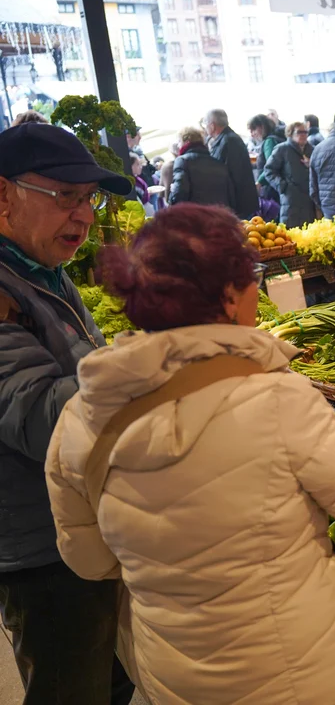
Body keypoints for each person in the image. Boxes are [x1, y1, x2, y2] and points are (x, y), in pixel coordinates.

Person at [44, 203, 335, 705]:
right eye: (251, 278)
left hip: (175, 680)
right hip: (300, 674)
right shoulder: (277, 398)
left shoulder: (81, 418)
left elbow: (88, 560)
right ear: (228, 296)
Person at [0, 123, 135, 705]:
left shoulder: (40, 272)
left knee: (109, 680)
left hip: (77, 527)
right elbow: (40, 416)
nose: (82, 216)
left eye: (89, 199)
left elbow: (85, 369)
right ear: (3, 195)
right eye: (65, 196)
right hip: (40, 549)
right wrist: (149, 361)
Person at [204, 108, 259, 219]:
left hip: (238, 205)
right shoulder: (226, 139)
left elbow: (233, 176)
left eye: (205, 124)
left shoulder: (230, 141)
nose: (205, 128)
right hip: (237, 202)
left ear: (212, 126)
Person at [264, 122, 316, 227]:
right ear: (290, 134)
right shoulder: (282, 149)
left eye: (305, 132)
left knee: (309, 230)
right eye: (299, 132)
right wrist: (283, 186)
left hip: (309, 199)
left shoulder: (313, 150)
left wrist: (311, 165)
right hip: (291, 198)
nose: (303, 135)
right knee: (290, 229)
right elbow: (269, 171)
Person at [169, 126, 232, 208]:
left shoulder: (182, 161)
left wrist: (172, 193)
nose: (178, 145)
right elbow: (229, 194)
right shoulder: (218, 163)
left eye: (179, 142)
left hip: (196, 212)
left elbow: (179, 193)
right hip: (219, 212)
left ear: (186, 141)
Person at [249, 113, 285, 203]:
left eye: (253, 130)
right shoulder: (279, 137)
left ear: (262, 127)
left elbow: (271, 165)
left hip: (271, 188)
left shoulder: (269, 141)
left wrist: (259, 182)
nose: (252, 134)